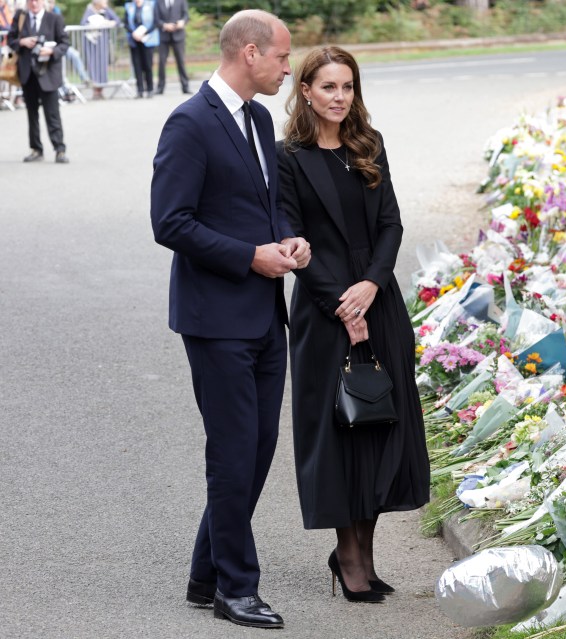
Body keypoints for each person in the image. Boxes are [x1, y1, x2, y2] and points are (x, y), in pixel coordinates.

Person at [150, 9, 308, 629]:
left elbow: (260, 207)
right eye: (281, 58)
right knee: (234, 452)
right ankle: (235, 590)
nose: (287, 69)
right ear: (249, 52)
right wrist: (249, 257)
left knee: (257, 448)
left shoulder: (261, 118)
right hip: (215, 319)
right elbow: (170, 222)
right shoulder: (189, 123)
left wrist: (288, 241)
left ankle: (204, 573)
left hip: (266, 315)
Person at [277, 45, 430, 604]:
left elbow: (390, 222)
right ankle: (348, 558)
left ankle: (364, 553)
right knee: (341, 432)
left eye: (347, 87)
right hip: (325, 308)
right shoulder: (289, 157)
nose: (339, 97)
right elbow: (291, 235)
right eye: (328, 88)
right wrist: (343, 302)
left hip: (378, 298)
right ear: (307, 93)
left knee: (379, 424)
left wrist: (371, 284)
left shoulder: (370, 144)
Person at [8, 0, 70, 163]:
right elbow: (11, 39)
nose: (34, 4)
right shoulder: (20, 18)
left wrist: (51, 51)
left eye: (37, 0)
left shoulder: (54, 18)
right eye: (31, 1)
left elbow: (65, 43)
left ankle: (59, 149)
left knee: (52, 114)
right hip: (28, 74)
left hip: (48, 74)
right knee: (32, 114)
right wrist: (22, 42)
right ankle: (36, 148)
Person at [80, 0, 120, 99]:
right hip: (92, 44)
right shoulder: (89, 10)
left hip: (102, 44)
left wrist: (110, 23)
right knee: (93, 65)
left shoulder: (106, 10)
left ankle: (101, 89)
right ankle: (95, 90)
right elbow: (83, 23)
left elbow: (117, 20)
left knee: (102, 65)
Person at [123, 0, 156, 98]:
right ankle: (140, 90)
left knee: (148, 65)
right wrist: (133, 33)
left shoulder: (151, 5)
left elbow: (155, 22)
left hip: (147, 39)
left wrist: (144, 33)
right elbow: (125, 23)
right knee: (137, 66)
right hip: (134, 39)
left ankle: (150, 89)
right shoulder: (129, 7)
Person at [154, 0, 188, 94]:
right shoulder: (158, 2)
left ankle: (185, 86)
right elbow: (156, 19)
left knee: (181, 61)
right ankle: (160, 87)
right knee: (161, 62)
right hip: (164, 36)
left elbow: (186, 15)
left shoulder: (181, 1)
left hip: (178, 35)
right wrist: (164, 25)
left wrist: (182, 22)